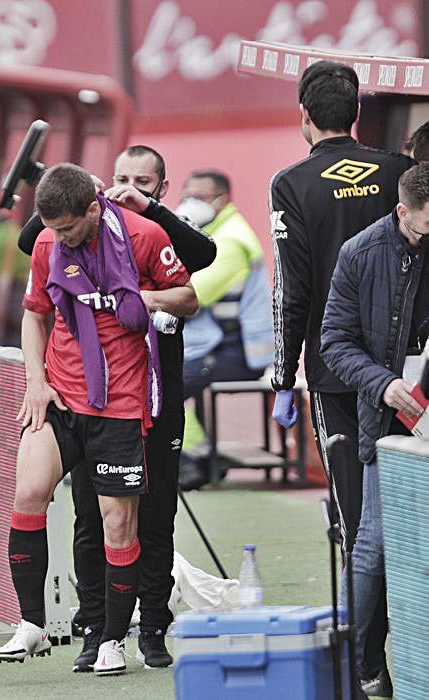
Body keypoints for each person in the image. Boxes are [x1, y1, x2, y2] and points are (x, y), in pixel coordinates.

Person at [0, 163, 195, 675]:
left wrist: (142, 299)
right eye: (50, 228)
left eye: (66, 228)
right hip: (61, 396)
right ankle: (33, 625)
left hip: (122, 404)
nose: (57, 237)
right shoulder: (45, 244)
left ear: (92, 208)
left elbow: (187, 297)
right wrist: (36, 381)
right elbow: (35, 313)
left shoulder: (144, 236)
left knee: (118, 524)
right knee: (28, 493)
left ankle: (113, 640)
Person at [269, 60, 412, 696]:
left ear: (303, 115)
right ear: (354, 113)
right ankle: (398, 652)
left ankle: (367, 665)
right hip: (405, 369)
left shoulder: (291, 184)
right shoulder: (398, 173)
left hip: (335, 375)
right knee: (405, 508)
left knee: (358, 520)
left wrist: (280, 375)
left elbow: (290, 289)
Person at [67, 146, 216, 672]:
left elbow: (204, 254)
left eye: (143, 182)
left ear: (162, 187)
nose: (129, 189)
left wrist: (148, 209)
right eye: (121, 179)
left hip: (158, 397)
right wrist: (85, 199)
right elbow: (30, 241)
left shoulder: (159, 232)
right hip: (95, 401)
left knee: (155, 517)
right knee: (91, 519)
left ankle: (153, 628)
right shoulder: (83, 227)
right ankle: (94, 630)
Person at [320, 162, 429, 699]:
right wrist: (383, 386)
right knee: (375, 546)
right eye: (423, 229)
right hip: (388, 418)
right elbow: (333, 343)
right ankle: (361, 666)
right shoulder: (360, 253)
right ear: (401, 210)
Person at [177, 169, 275, 489]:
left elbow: (191, 294)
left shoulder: (229, 242)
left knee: (165, 385)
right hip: (219, 347)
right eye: (187, 196)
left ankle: (193, 460)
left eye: (200, 198)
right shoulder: (213, 233)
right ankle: (203, 458)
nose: (191, 203)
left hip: (237, 353)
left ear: (223, 200)